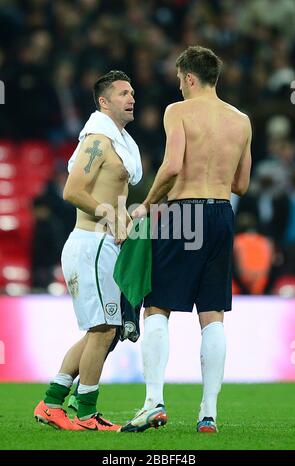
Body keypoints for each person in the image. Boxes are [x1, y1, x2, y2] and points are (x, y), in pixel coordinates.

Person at [120, 46, 252, 433]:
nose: (178, 86)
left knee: (157, 307)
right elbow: (241, 183)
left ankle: (153, 403)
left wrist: (147, 203)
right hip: (221, 214)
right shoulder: (241, 120)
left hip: (182, 214)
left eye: (180, 80)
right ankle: (208, 413)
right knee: (212, 315)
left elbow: (173, 165)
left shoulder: (177, 112)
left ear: (190, 78)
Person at [34, 70, 142, 431]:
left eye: (132, 92)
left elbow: (110, 193)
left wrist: (127, 216)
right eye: (123, 93)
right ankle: (85, 413)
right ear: (104, 102)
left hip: (102, 244)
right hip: (92, 244)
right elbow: (72, 191)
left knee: (99, 329)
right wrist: (111, 216)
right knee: (104, 331)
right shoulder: (96, 140)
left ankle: (52, 402)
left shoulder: (119, 143)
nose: (131, 98)